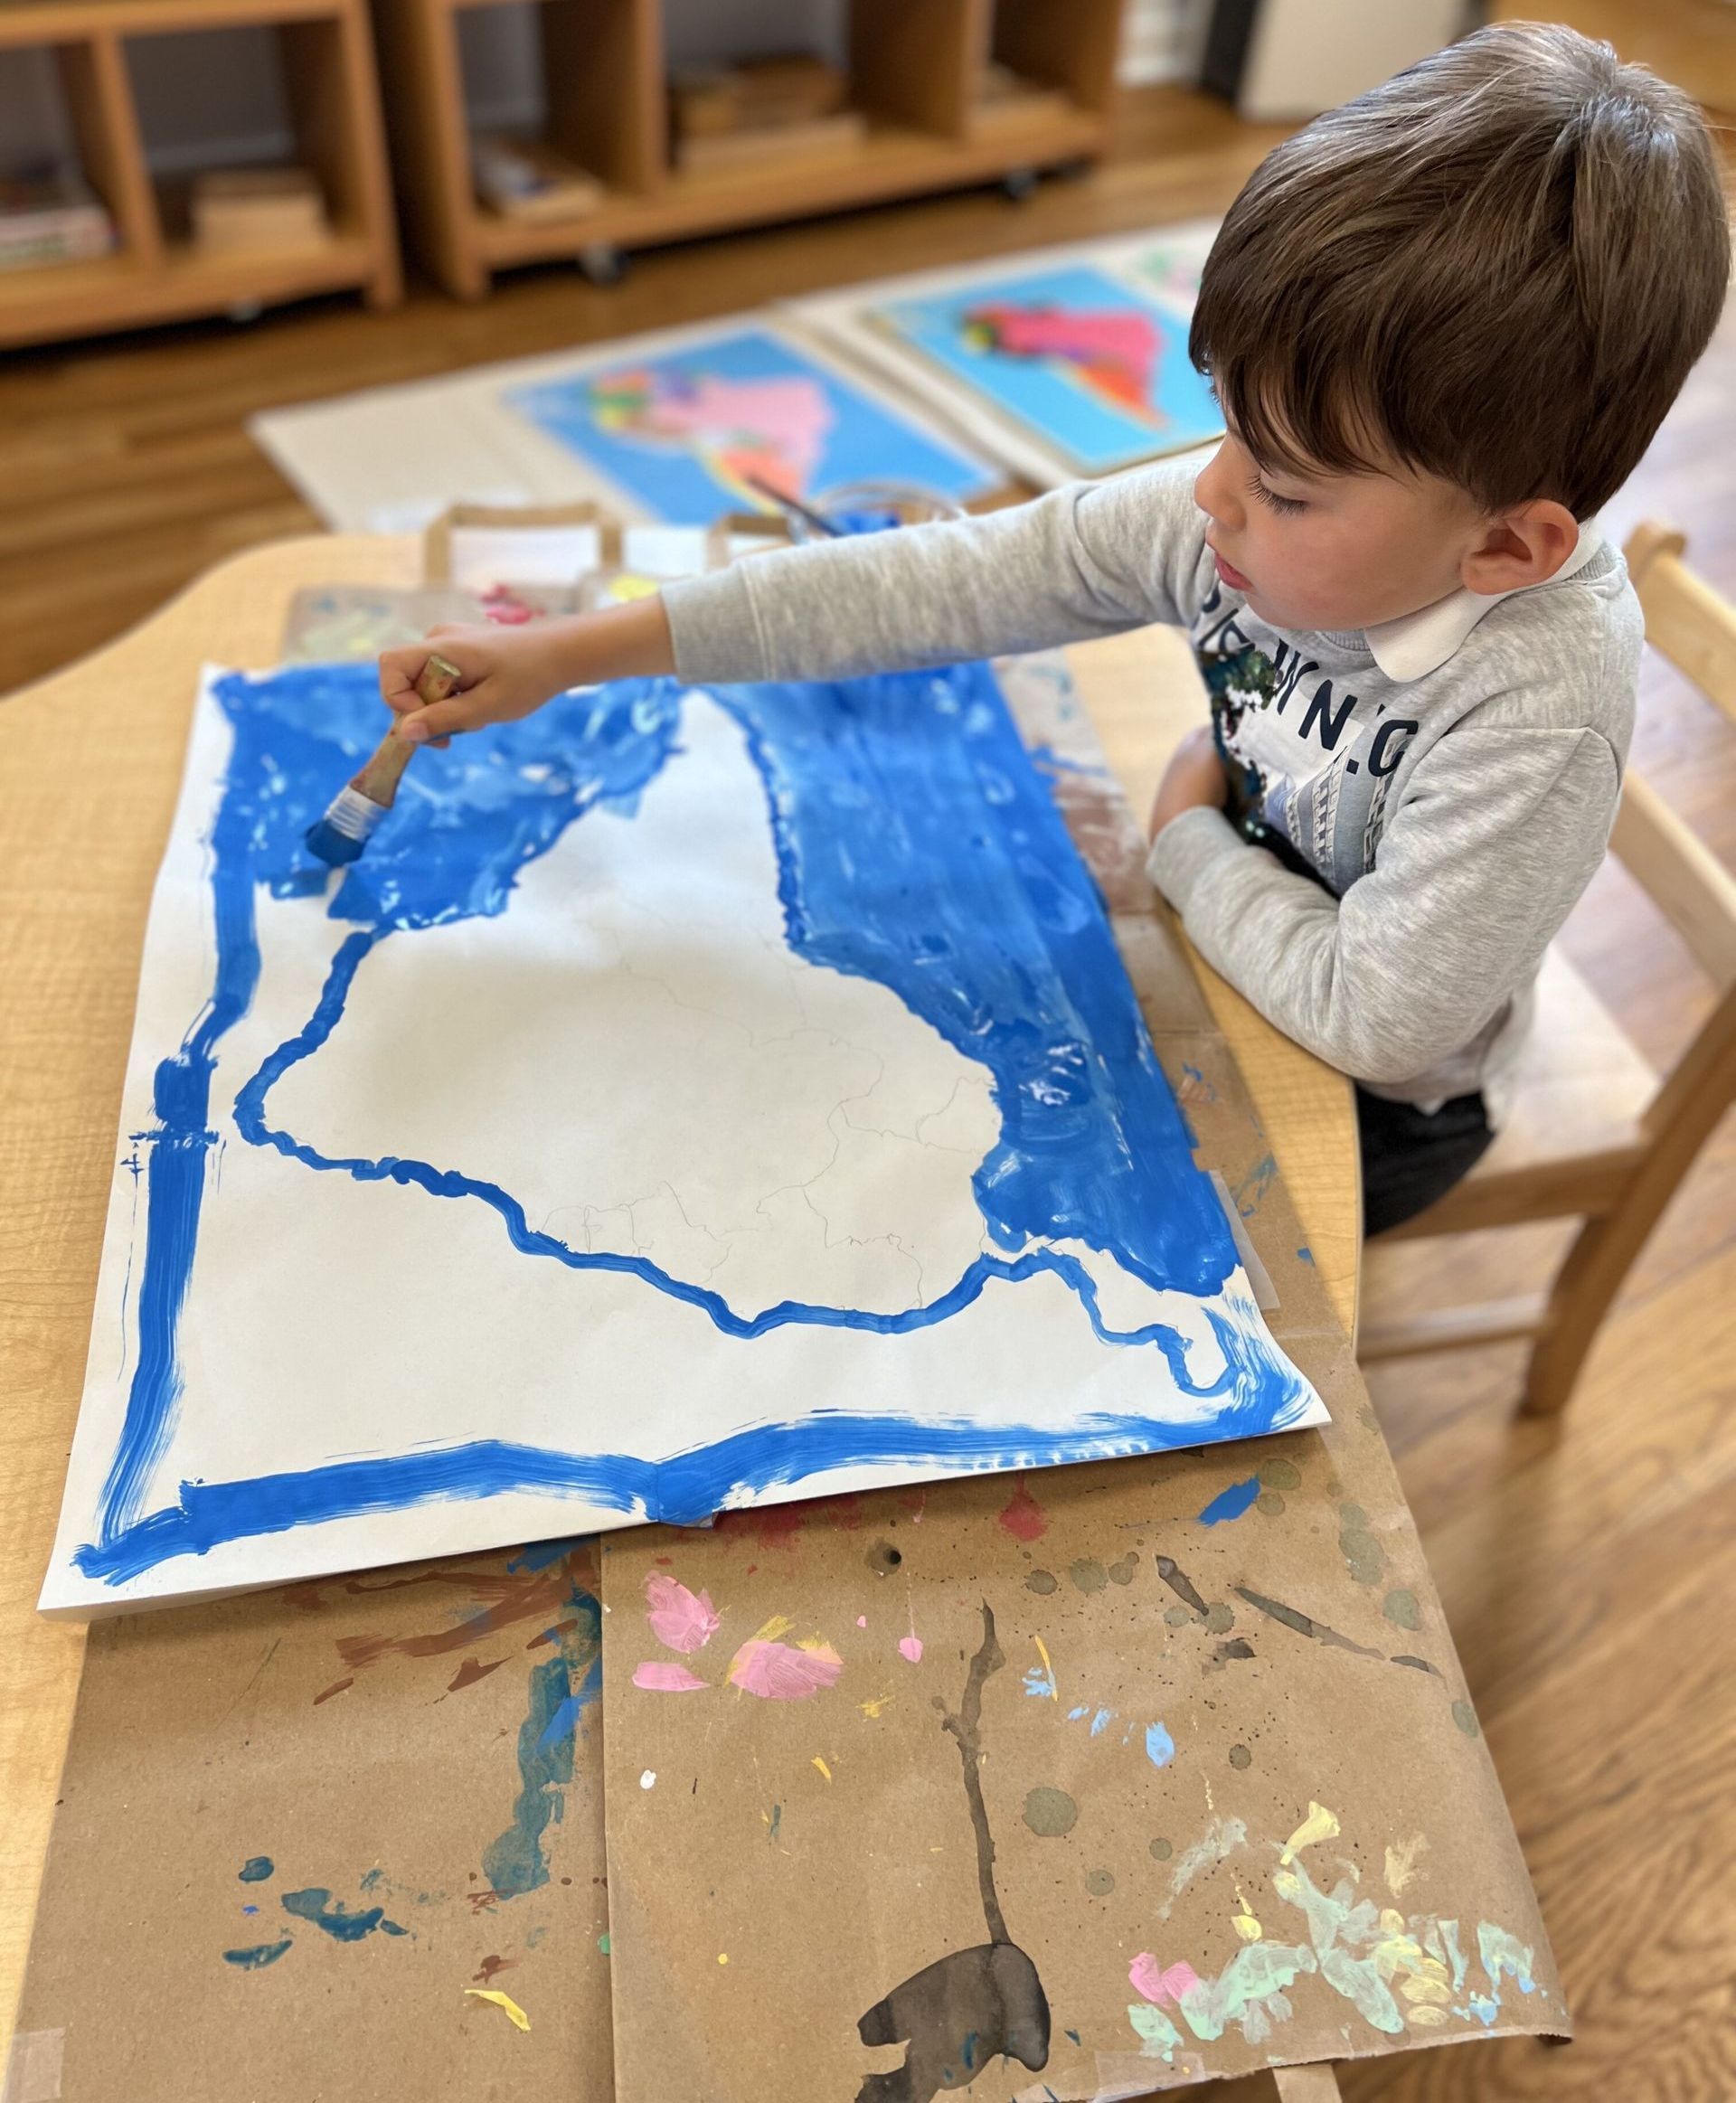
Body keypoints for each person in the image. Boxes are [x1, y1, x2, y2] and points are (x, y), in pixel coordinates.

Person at [378, 23, 1731, 1235]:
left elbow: (1380, 1022)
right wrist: (569, 655)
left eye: (1284, 486)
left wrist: (1184, 842)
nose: (1211, 495)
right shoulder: (1249, 513)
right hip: (1240, 931)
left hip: (1381, 1107)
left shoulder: (1534, 709)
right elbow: (931, 581)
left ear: (1506, 547)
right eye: (1225, 429)